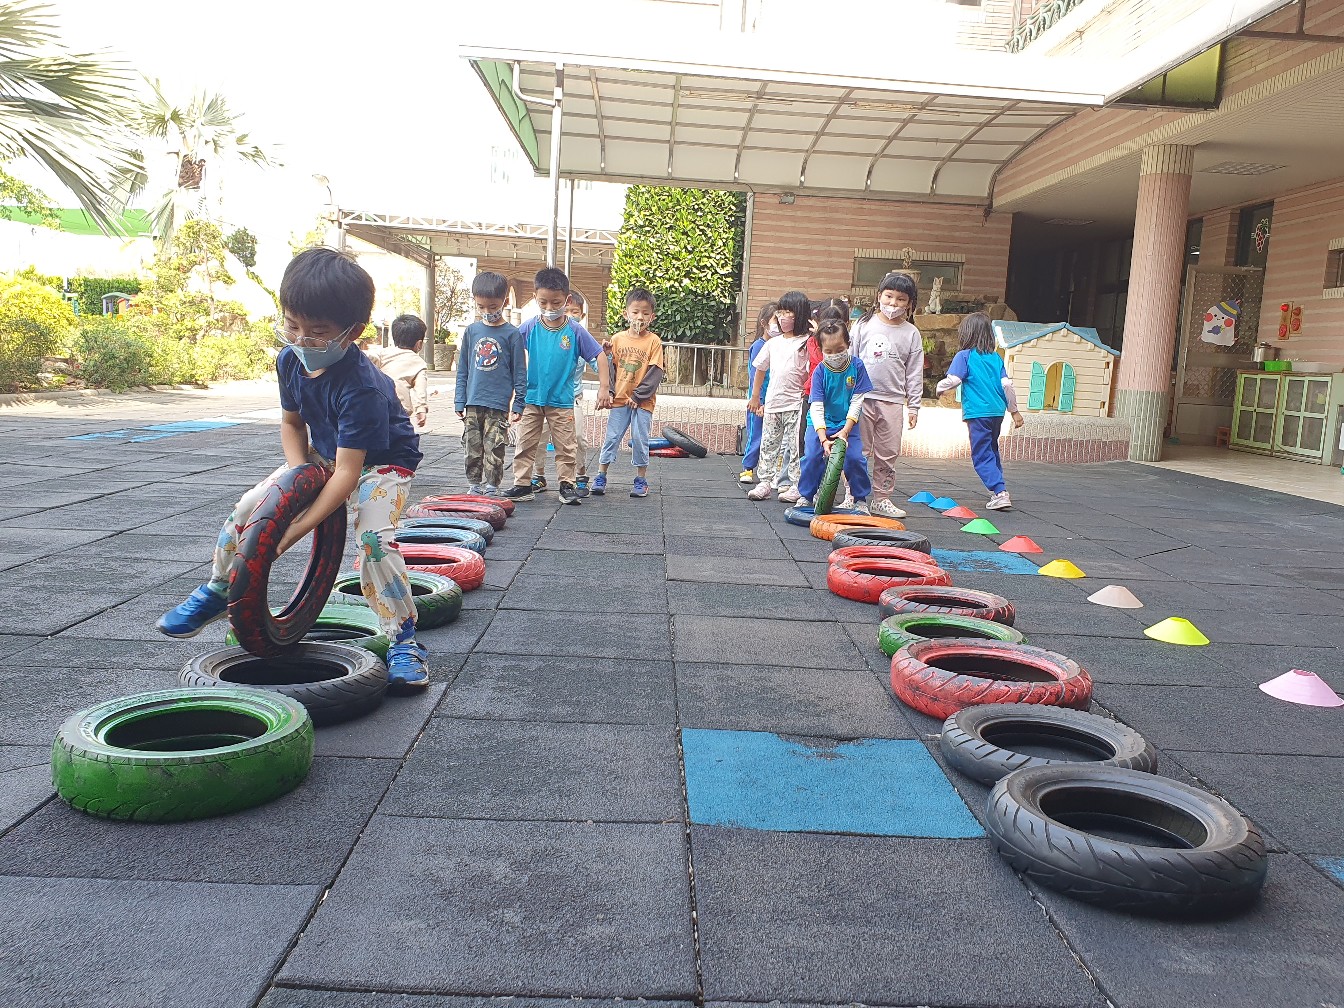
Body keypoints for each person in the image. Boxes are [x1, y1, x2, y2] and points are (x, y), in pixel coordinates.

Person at [156, 247, 431, 689]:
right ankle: (219, 588)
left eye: (317, 332)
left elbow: (349, 473)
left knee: (374, 539)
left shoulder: (360, 387)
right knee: (249, 505)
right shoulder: (289, 360)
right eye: (292, 326)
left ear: (352, 332)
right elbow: (291, 423)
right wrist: (297, 480)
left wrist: (291, 532)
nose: (302, 340)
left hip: (382, 463)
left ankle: (404, 639)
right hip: (325, 454)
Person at [504, 267, 604, 505]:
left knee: (566, 446)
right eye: (543, 302)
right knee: (525, 442)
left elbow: (598, 354)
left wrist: (604, 387)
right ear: (535, 298)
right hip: (532, 398)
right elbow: (510, 348)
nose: (549, 308)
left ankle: (567, 485)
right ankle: (522, 484)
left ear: (566, 300)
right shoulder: (530, 327)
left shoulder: (574, 330)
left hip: (561, 400)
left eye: (556, 303)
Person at [852, 272, 923, 519]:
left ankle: (881, 498)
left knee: (888, 453)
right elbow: (850, 359)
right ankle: (854, 496)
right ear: (879, 296)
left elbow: (914, 372)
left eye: (901, 299)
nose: (893, 303)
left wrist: (914, 406)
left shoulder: (911, 333)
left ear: (910, 303)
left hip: (893, 401)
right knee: (858, 451)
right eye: (889, 296)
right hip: (861, 399)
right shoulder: (863, 325)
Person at [936, 311, 1024, 511]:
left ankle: (1000, 492)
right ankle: (998, 488)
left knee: (981, 454)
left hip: (978, 413)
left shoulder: (964, 356)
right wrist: (1014, 411)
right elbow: (1007, 385)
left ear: (967, 334)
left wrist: (939, 388)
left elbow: (954, 380)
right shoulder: (996, 358)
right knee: (991, 449)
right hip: (997, 413)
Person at [455, 271, 526, 496]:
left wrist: (519, 403)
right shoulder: (472, 331)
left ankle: (493, 487)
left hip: (498, 404)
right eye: (481, 306)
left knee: (494, 446)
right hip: (473, 402)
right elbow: (463, 368)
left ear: (504, 301)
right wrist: (459, 399)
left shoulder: (512, 334)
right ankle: (474, 486)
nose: (487, 311)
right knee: (472, 446)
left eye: (493, 306)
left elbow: (519, 372)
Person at [796, 317, 873, 513]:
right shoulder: (820, 372)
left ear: (848, 344)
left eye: (839, 349)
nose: (834, 355)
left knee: (855, 459)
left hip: (847, 422)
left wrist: (846, 431)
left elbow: (857, 401)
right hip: (820, 422)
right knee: (811, 457)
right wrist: (823, 439)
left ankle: (860, 499)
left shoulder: (857, 367)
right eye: (828, 351)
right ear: (821, 349)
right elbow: (816, 406)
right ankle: (806, 496)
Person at [594, 287, 665, 498]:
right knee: (612, 437)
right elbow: (610, 369)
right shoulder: (617, 339)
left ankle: (641, 479)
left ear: (652, 317)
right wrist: (610, 388)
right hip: (620, 399)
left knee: (640, 438)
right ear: (626, 314)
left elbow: (655, 372)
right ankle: (601, 475)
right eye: (635, 312)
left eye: (645, 313)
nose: (639, 317)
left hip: (642, 402)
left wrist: (638, 395)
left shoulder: (654, 341)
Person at [746, 290, 812, 502]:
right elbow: (760, 369)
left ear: (800, 314)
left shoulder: (807, 342)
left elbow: (813, 369)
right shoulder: (773, 343)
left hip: (795, 404)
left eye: (788, 312)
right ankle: (765, 482)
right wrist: (756, 397)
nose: (783, 317)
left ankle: (796, 484)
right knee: (768, 444)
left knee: (795, 447)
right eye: (780, 312)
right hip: (773, 404)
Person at [532, 290, 594, 495]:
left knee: (577, 437)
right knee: (539, 437)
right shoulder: (543, 333)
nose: (569, 315)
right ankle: (538, 475)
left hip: (570, 398)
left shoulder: (579, 336)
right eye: (567, 311)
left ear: (582, 315)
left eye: (574, 312)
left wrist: (608, 359)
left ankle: (580, 475)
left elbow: (597, 361)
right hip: (544, 398)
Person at [367, 314, 429, 430]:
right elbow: (420, 388)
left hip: (375, 407)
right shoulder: (419, 363)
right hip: (399, 411)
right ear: (419, 344)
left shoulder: (383, 354)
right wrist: (421, 409)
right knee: (403, 439)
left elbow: (371, 358)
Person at [739, 300, 777, 483]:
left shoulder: (779, 346)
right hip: (759, 400)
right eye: (775, 320)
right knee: (756, 434)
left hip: (774, 399)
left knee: (772, 437)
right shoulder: (759, 346)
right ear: (764, 323)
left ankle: (769, 469)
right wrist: (757, 400)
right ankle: (748, 467)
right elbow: (756, 375)